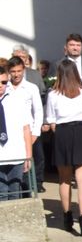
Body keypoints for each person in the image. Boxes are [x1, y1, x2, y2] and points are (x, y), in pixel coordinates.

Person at [45, 60, 82, 236]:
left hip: (62, 133)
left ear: (59, 74)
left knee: (64, 178)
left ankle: (67, 215)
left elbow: (51, 121)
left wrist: (61, 134)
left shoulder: (53, 94)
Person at [7, 55, 45, 194]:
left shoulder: (31, 88)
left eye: (19, 71)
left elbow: (38, 111)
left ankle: (32, 190)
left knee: (32, 163)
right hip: (11, 133)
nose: (16, 74)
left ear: (23, 70)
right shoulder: (5, 87)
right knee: (14, 164)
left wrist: (35, 133)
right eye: (13, 71)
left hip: (29, 132)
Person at [0, 59, 34, 201]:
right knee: (1, 193)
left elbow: (26, 128)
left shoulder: (17, 99)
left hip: (16, 154)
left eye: (4, 82)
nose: (1, 86)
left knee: (15, 193)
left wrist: (28, 155)